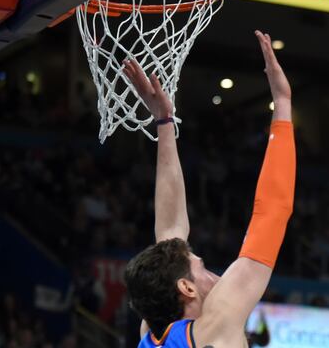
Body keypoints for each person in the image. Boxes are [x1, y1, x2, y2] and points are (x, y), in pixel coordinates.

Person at [123, 30, 295, 348]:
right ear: (187, 289)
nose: (214, 274)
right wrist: (282, 106)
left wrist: (164, 123)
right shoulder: (216, 321)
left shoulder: (151, 333)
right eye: (201, 268)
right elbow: (272, 212)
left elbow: (171, 228)